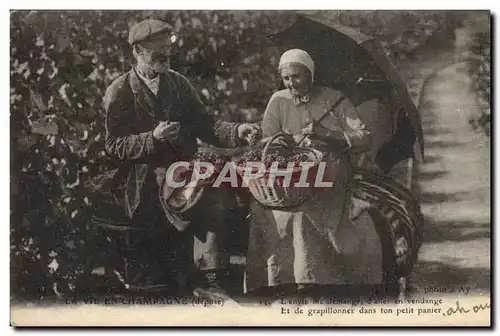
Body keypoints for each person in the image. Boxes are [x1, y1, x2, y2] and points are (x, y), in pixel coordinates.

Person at [103, 19, 259, 297]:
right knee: (196, 194)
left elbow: (207, 125)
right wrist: (153, 138)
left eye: (167, 50)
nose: (165, 56)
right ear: (137, 51)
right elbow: (114, 145)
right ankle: (196, 280)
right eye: (157, 51)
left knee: (219, 185)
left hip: (184, 171)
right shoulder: (121, 90)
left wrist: (238, 130)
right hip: (143, 178)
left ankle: (212, 276)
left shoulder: (178, 84)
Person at [243, 49, 384, 298]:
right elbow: (267, 140)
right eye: (286, 78)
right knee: (271, 212)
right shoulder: (278, 100)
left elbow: (363, 137)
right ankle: (278, 282)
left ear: (310, 74)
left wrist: (327, 136)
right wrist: (287, 141)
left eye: (296, 77)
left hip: (331, 172)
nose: (291, 83)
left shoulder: (335, 100)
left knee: (307, 213)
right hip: (291, 174)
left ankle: (311, 280)